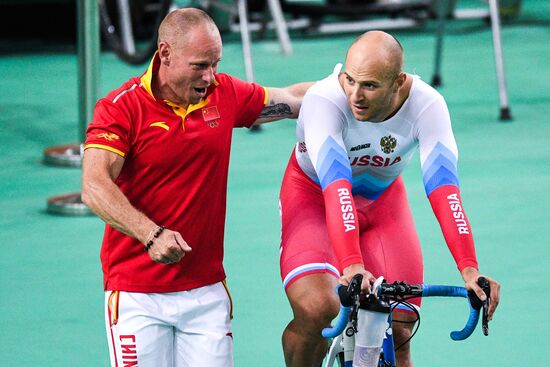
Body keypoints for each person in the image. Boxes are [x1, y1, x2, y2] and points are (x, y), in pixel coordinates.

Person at [81, 8, 310, 367]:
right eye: (200, 65)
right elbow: (94, 185)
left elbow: (292, 100)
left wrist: (354, 84)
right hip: (137, 294)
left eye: (215, 63)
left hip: (205, 293)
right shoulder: (120, 109)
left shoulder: (224, 94)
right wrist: (151, 234)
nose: (210, 76)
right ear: (165, 53)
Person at [279, 30, 501, 367]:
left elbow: (445, 190)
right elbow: (336, 185)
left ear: (398, 82)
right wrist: (352, 265)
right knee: (318, 310)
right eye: (350, 80)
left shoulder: (427, 105)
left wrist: (470, 270)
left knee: (400, 327)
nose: (356, 95)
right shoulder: (324, 100)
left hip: (383, 203)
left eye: (369, 85)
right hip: (315, 199)